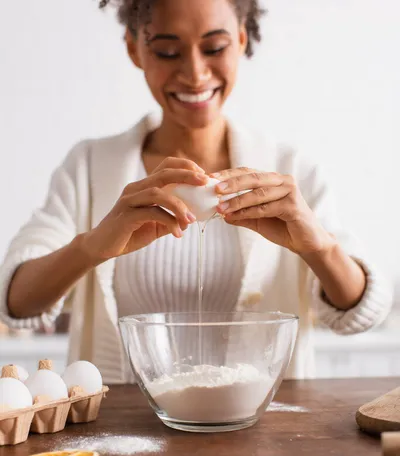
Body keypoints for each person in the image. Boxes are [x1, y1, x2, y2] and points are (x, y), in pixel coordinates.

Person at [0, 0, 392, 383]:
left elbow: (359, 312)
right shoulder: (89, 166)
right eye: (168, 51)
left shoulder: (290, 170)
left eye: (214, 47)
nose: (194, 73)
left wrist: (318, 247)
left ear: (240, 41)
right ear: (134, 49)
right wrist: (93, 247)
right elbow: (15, 304)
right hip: (127, 429)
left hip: (262, 433)